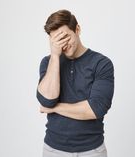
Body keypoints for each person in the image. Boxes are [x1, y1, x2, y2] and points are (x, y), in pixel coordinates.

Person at [36, 9, 114, 157]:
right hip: (53, 149)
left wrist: (54, 108)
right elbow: (47, 99)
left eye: (66, 37)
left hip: (92, 150)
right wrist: (54, 56)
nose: (63, 45)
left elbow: (95, 109)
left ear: (77, 29)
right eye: (57, 41)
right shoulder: (48, 62)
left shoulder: (101, 63)